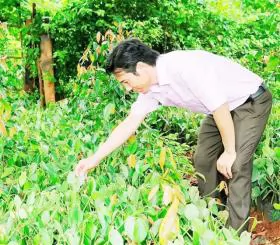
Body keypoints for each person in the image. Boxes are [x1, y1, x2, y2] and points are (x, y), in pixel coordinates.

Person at [74, 38, 272, 233]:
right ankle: (212, 218)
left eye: (126, 81)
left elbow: (220, 106)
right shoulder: (150, 89)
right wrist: (94, 159)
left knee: (236, 165)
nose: (127, 88)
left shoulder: (184, 67)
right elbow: (129, 124)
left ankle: (234, 234)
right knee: (203, 160)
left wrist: (229, 151)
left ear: (141, 67)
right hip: (219, 109)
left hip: (250, 101)